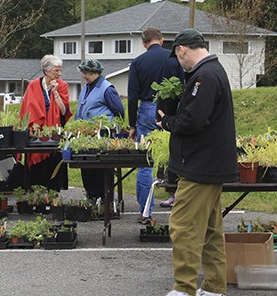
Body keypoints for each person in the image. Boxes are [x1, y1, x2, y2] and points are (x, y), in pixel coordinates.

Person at [153, 28, 238, 296]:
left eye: (178, 57)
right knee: (211, 229)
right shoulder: (214, 71)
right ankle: (214, 287)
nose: (180, 63)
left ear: (182, 51)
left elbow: (192, 120)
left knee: (184, 227)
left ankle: (184, 290)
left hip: (200, 166)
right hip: (212, 164)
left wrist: (167, 122)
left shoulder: (203, 76)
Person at [127, 28, 184, 223]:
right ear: (161, 40)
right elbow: (183, 87)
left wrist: (131, 124)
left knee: (146, 163)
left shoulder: (138, 62)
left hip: (146, 109)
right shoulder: (173, 59)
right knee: (175, 157)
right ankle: (179, 205)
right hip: (169, 110)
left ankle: (146, 211)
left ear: (144, 43)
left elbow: (132, 95)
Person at [19, 55, 72, 191]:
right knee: (36, 173)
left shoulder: (63, 86)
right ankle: (36, 201)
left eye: (60, 71)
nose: (59, 74)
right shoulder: (33, 86)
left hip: (53, 135)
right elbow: (27, 110)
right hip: (36, 135)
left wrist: (55, 94)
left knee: (52, 169)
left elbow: (64, 111)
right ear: (46, 71)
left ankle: (51, 200)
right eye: (56, 71)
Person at [74, 59, 125, 201]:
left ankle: (104, 199)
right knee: (86, 166)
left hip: (102, 134)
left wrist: (114, 128)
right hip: (85, 133)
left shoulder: (107, 88)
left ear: (97, 73)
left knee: (101, 169)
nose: (85, 75)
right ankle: (91, 196)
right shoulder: (86, 87)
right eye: (83, 72)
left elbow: (119, 110)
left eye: (88, 73)